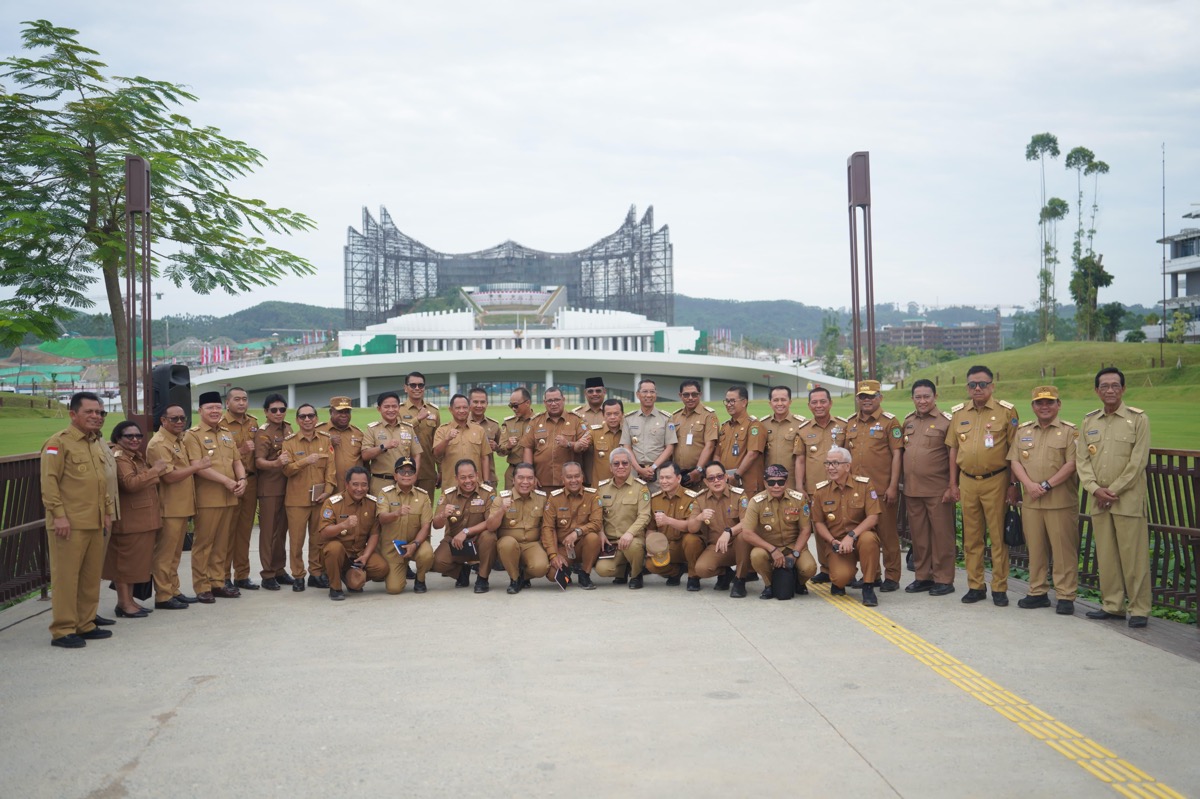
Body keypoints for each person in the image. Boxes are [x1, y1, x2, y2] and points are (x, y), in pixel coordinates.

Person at [1076, 367, 1152, 628]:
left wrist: (1114, 490)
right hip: (1098, 499)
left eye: (1115, 385)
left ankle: (1139, 609)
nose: (1110, 390)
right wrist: (1095, 489)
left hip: (1127, 500)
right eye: (1104, 386)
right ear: (1097, 390)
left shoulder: (1138, 419)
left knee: (1134, 557)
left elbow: (1138, 461)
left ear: (1123, 389)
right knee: (1106, 556)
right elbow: (1082, 460)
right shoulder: (1089, 421)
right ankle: (1113, 605)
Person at [41, 392, 116, 648]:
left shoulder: (94, 442)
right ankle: (63, 629)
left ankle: (85, 623)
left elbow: (100, 483)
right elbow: (49, 483)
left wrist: (107, 512)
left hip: (94, 521)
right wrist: (59, 516)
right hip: (68, 524)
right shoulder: (58, 443)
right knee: (66, 577)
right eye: (90, 412)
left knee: (90, 576)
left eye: (99, 412)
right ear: (73, 414)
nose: (96, 416)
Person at [946, 366, 1020, 607]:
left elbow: (1014, 451)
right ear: (967, 387)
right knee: (971, 537)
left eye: (982, 384)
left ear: (992, 385)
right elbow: (953, 449)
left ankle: (999, 587)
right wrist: (953, 484)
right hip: (967, 481)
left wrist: (1013, 484)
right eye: (972, 385)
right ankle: (975, 585)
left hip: (996, 480)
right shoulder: (959, 413)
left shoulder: (1006, 412)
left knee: (998, 537)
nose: (977, 389)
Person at [1009, 386, 1080, 615]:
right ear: (1033, 407)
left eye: (1050, 402)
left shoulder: (1069, 432)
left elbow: (1072, 464)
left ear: (1058, 405)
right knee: (1036, 549)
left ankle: (1065, 595)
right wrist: (1029, 486)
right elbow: (1015, 462)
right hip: (1032, 501)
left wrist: (1047, 484)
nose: (1045, 407)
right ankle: (1037, 591)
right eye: (1040, 403)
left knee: (1063, 551)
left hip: (1059, 501)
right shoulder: (1023, 431)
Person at [184, 391, 247, 603]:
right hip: (208, 499)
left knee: (222, 543)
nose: (214, 411)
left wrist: (242, 479)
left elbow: (236, 460)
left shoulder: (226, 433)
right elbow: (197, 467)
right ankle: (202, 586)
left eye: (217, 408)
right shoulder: (192, 435)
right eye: (210, 408)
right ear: (200, 410)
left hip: (230, 497)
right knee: (204, 544)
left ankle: (217, 582)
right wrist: (227, 482)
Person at [843, 379, 903, 592]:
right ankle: (872, 575)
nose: (867, 401)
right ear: (858, 399)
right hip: (857, 492)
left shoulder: (890, 422)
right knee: (865, 536)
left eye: (871, 396)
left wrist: (893, 486)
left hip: (881, 490)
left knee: (887, 535)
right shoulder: (850, 423)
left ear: (880, 397)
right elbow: (843, 457)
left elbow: (897, 455)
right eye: (863, 397)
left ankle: (893, 576)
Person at [104, 421, 168, 617]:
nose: (134, 440)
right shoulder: (120, 457)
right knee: (125, 564)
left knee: (134, 565)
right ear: (118, 438)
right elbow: (130, 483)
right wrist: (155, 470)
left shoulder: (133, 456)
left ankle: (129, 601)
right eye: (129, 436)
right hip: (130, 520)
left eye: (138, 436)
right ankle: (124, 603)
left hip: (141, 519)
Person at [900, 379, 957, 597]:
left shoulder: (946, 422)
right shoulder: (908, 421)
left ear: (935, 397)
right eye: (918, 397)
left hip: (937, 489)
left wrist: (952, 486)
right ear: (913, 398)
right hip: (913, 490)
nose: (922, 401)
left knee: (942, 536)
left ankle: (943, 578)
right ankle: (923, 576)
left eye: (926, 396)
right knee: (919, 536)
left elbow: (954, 456)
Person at [147, 404, 207, 609]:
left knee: (175, 554)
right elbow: (170, 477)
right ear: (163, 420)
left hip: (181, 505)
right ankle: (163, 595)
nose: (180, 422)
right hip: (169, 506)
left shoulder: (177, 440)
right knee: (165, 554)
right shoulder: (159, 443)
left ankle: (173, 589)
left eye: (183, 418)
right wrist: (196, 467)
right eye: (174, 419)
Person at [731, 464, 817, 600]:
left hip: (793, 545)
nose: (776, 486)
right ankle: (769, 585)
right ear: (765, 483)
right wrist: (772, 550)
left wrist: (795, 554)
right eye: (771, 482)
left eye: (780, 482)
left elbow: (806, 530)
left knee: (810, 568)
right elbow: (747, 532)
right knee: (757, 556)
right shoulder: (756, 502)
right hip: (769, 547)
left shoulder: (799, 499)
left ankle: (798, 582)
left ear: (786, 482)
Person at [811, 447, 883, 607]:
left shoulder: (864, 485)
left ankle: (868, 585)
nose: (830, 467)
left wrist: (851, 536)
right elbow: (818, 522)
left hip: (859, 539)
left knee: (869, 539)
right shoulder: (821, 491)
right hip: (836, 543)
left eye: (835, 463)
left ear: (848, 466)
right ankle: (846, 574)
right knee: (840, 578)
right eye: (828, 463)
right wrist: (832, 541)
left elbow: (873, 517)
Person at [794, 386, 846, 584]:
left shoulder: (843, 426)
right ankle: (825, 568)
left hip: (840, 487)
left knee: (840, 527)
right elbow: (800, 460)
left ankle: (843, 568)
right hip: (815, 489)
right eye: (814, 402)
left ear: (830, 403)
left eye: (822, 401)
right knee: (819, 528)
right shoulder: (804, 430)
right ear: (809, 406)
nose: (819, 406)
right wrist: (800, 487)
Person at [281, 404, 336, 591]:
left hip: (319, 498)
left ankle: (315, 572)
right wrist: (305, 461)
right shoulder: (289, 442)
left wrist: (328, 491)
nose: (307, 420)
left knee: (317, 539)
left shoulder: (325, 440)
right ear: (297, 420)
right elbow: (286, 470)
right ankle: (298, 575)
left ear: (316, 418)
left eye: (310, 416)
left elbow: (331, 468)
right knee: (296, 541)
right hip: (296, 500)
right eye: (302, 416)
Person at [431, 459, 503, 593]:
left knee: (489, 536)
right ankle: (461, 573)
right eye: (463, 478)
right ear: (456, 478)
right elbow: (436, 525)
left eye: (471, 476)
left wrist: (466, 531)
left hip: (477, 541)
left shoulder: (488, 493)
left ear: (477, 475)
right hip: (455, 542)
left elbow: (490, 522)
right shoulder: (448, 495)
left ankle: (482, 577)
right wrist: (442, 515)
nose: (468, 481)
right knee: (436, 562)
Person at [317, 466, 389, 601]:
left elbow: (374, 534)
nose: (359, 489)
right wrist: (343, 525)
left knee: (381, 568)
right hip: (339, 553)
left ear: (368, 486)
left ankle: (351, 577)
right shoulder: (333, 503)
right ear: (346, 484)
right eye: (355, 484)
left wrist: (366, 556)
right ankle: (335, 587)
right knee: (334, 548)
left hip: (358, 554)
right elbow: (324, 533)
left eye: (364, 485)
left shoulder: (372, 503)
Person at [593, 447, 651, 588]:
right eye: (616, 464)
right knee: (602, 570)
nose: (621, 467)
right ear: (611, 467)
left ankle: (636, 575)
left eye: (625, 463)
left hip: (632, 538)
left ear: (631, 466)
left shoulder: (641, 488)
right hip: (611, 542)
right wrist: (600, 532)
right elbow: (596, 514)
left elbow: (645, 515)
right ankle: (622, 570)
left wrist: (630, 533)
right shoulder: (602, 488)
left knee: (635, 547)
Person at [684, 461, 746, 592]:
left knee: (743, 537)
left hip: (738, 546)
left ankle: (740, 580)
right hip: (716, 547)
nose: (716, 481)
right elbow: (691, 528)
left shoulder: (739, 495)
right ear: (706, 482)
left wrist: (729, 532)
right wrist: (699, 517)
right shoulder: (700, 499)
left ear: (726, 477)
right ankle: (725, 573)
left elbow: (747, 522)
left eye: (719, 477)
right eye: (711, 478)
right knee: (701, 569)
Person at [376, 456, 435, 594]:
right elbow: (382, 519)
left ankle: (420, 579)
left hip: (415, 544)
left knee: (427, 554)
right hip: (393, 548)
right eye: (402, 472)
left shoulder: (423, 496)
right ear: (395, 476)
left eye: (411, 472)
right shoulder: (385, 494)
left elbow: (426, 526)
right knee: (394, 589)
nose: (406, 475)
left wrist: (415, 544)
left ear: (416, 475)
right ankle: (400, 569)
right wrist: (396, 513)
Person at [222, 386, 261, 591]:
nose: (241, 403)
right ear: (227, 403)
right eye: (236, 399)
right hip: (231, 483)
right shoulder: (221, 425)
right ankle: (223, 575)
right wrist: (241, 450)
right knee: (228, 531)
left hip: (251, 481)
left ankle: (242, 575)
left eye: (244, 399)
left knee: (245, 531)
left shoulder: (253, 423)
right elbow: (218, 457)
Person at [542, 461, 603, 589]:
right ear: (562, 479)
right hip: (563, 547)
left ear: (582, 478)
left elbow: (597, 523)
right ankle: (567, 572)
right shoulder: (554, 498)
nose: (573, 480)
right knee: (552, 575)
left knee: (593, 537)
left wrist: (577, 532)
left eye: (577, 476)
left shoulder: (592, 495)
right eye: (569, 477)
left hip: (583, 545)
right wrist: (553, 555)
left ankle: (585, 574)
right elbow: (548, 528)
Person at [254, 394, 293, 589]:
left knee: (281, 532)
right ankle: (267, 573)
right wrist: (276, 463)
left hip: (288, 487)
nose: (278, 413)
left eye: (282, 409)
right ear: (266, 412)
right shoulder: (263, 432)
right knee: (269, 532)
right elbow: (259, 461)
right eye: (274, 410)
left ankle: (279, 569)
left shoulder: (288, 427)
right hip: (270, 488)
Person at [495, 463, 550, 593]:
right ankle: (514, 579)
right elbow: (491, 526)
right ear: (513, 480)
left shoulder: (541, 498)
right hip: (508, 544)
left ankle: (521, 575)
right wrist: (502, 510)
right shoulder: (501, 498)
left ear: (535, 480)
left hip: (532, 543)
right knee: (508, 543)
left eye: (530, 478)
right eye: (521, 478)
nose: (525, 482)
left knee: (541, 568)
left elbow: (547, 525)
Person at [521, 386, 589, 491]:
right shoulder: (536, 421)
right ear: (544, 402)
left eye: (557, 400)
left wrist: (568, 444)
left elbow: (583, 446)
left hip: (570, 483)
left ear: (563, 400)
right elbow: (527, 448)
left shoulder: (576, 420)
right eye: (550, 401)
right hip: (542, 482)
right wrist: (530, 476)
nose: (553, 404)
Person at [643, 462, 697, 585]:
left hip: (686, 545)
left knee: (691, 539)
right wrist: (650, 546)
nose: (664, 481)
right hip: (667, 545)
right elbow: (651, 529)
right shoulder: (655, 499)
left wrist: (668, 520)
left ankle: (693, 576)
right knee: (651, 565)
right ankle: (675, 572)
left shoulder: (691, 498)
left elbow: (690, 526)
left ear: (678, 478)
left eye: (668, 477)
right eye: (661, 478)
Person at [363, 391, 423, 498]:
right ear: (379, 409)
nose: (391, 410)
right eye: (386, 407)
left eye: (394, 406)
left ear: (398, 408)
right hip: (380, 482)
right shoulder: (372, 429)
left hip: (404, 481)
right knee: (380, 513)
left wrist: (414, 475)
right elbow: (365, 455)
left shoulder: (408, 428)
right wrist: (383, 447)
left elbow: (417, 454)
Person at [625, 379, 677, 491]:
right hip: (635, 473)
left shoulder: (666, 418)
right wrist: (639, 469)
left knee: (658, 506)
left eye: (652, 392)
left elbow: (670, 448)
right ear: (638, 394)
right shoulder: (628, 419)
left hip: (658, 475)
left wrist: (652, 468)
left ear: (656, 395)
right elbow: (627, 447)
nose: (649, 395)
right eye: (645, 392)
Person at [432, 393, 493, 488]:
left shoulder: (479, 430)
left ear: (469, 409)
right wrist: (447, 439)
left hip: (475, 485)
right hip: (451, 485)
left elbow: (484, 457)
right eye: (458, 408)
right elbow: (436, 453)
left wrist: (486, 481)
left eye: (465, 407)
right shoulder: (442, 430)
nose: (462, 411)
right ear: (450, 410)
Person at [716, 385, 766, 495]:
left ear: (744, 402)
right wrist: (720, 475)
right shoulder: (725, 427)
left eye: (733, 401)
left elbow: (752, 454)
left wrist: (736, 475)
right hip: (726, 483)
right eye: (727, 401)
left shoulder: (754, 426)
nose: (729, 405)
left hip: (746, 484)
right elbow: (717, 454)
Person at [671, 378, 718, 490]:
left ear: (700, 394)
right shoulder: (675, 417)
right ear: (680, 395)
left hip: (700, 476)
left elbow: (710, 445)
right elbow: (670, 445)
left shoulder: (709, 415)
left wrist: (698, 470)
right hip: (679, 476)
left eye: (694, 394)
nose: (690, 398)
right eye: (686, 395)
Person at [400, 372, 440, 494]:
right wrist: (418, 419)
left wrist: (441, 470)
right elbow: (398, 433)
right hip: (404, 469)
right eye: (413, 385)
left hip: (427, 470)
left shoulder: (433, 410)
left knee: (426, 508)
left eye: (420, 385)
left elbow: (437, 443)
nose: (417, 388)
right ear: (405, 388)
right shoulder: (398, 409)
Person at [317, 395, 366, 493]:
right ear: (331, 412)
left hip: (354, 489)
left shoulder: (358, 433)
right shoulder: (318, 431)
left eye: (347, 412)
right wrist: (328, 443)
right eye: (340, 412)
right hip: (328, 488)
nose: (344, 415)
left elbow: (364, 462)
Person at [760, 386, 806, 489]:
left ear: (790, 402)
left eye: (783, 400)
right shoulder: (762, 424)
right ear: (770, 403)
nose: (779, 403)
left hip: (793, 483)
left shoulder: (801, 424)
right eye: (775, 400)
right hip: (770, 484)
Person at [496, 387, 534, 489]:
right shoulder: (509, 423)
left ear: (527, 403)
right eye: (511, 406)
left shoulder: (539, 421)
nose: (513, 409)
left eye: (516, 406)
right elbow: (500, 451)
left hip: (535, 471)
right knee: (509, 502)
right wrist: (508, 446)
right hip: (513, 471)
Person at [588, 398, 630, 486]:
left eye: (616, 413)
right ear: (603, 415)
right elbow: (579, 445)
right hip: (601, 487)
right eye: (609, 414)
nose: (612, 417)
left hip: (625, 486)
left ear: (622, 414)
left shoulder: (629, 432)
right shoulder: (594, 432)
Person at [468, 386, 502, 454]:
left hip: (488, 464)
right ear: (469, 403)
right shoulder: (461, 423)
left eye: (482, 402)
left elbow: (504, 449)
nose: (479, 405)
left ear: (487, 404)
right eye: (475, 402)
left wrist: (496, 447)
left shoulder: (493, 425)